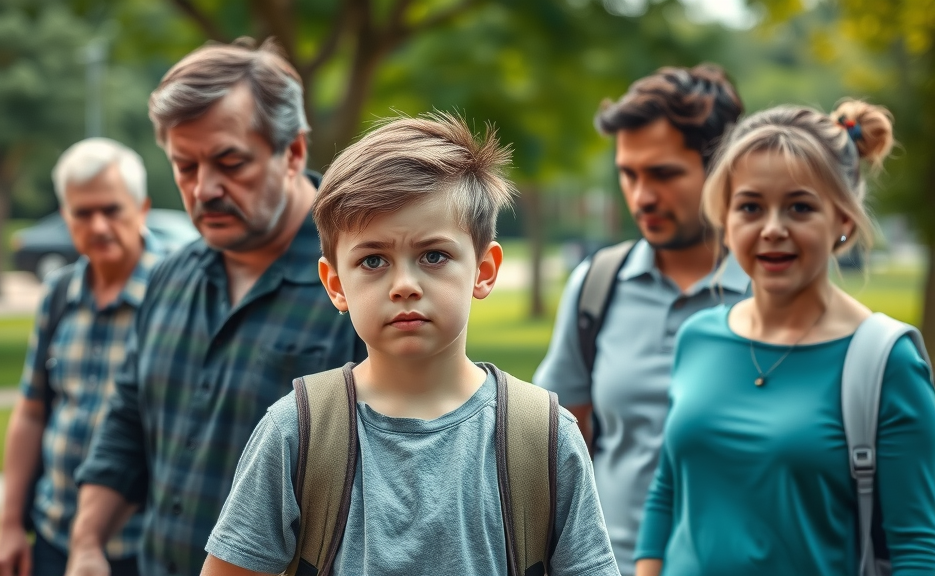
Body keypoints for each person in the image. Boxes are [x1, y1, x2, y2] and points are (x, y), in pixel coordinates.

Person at [199, 113, 621, 576]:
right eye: (374, 259)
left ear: (484, 270)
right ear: (335, 283)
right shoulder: (296, 432)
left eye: (433, 256)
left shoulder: (543, 436)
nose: (404, 285)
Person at [66, 38, 365, 576]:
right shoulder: (168, 278)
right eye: (184, 167)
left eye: (230, 162)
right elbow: (127, 425)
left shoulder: (360, 281)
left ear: (293, 152)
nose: (204, 189)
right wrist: (87, 544)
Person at [634, 101, 935, 575]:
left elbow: (917, 548)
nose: (773, 229)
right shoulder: (699, 337)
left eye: (800, 207)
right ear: (727, 222)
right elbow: (668, 491)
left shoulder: (886, 360)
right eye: (751, 207)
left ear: (843, 222)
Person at [533, 64, 748, 576]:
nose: (641, 196)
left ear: (724, 169)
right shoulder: (597, 285)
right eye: (629, 174)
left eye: (664, 173)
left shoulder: (775, 292)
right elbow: (559, 447)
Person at [0, 138, 161, 576]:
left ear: (141, 209)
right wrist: (10, 524)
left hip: (143, 545)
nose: (99, 225)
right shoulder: (59, 293)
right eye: (83, 213)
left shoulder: (175, 293)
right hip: (53, 535)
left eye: (112, 209)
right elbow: (31, 413)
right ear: (66, 218)